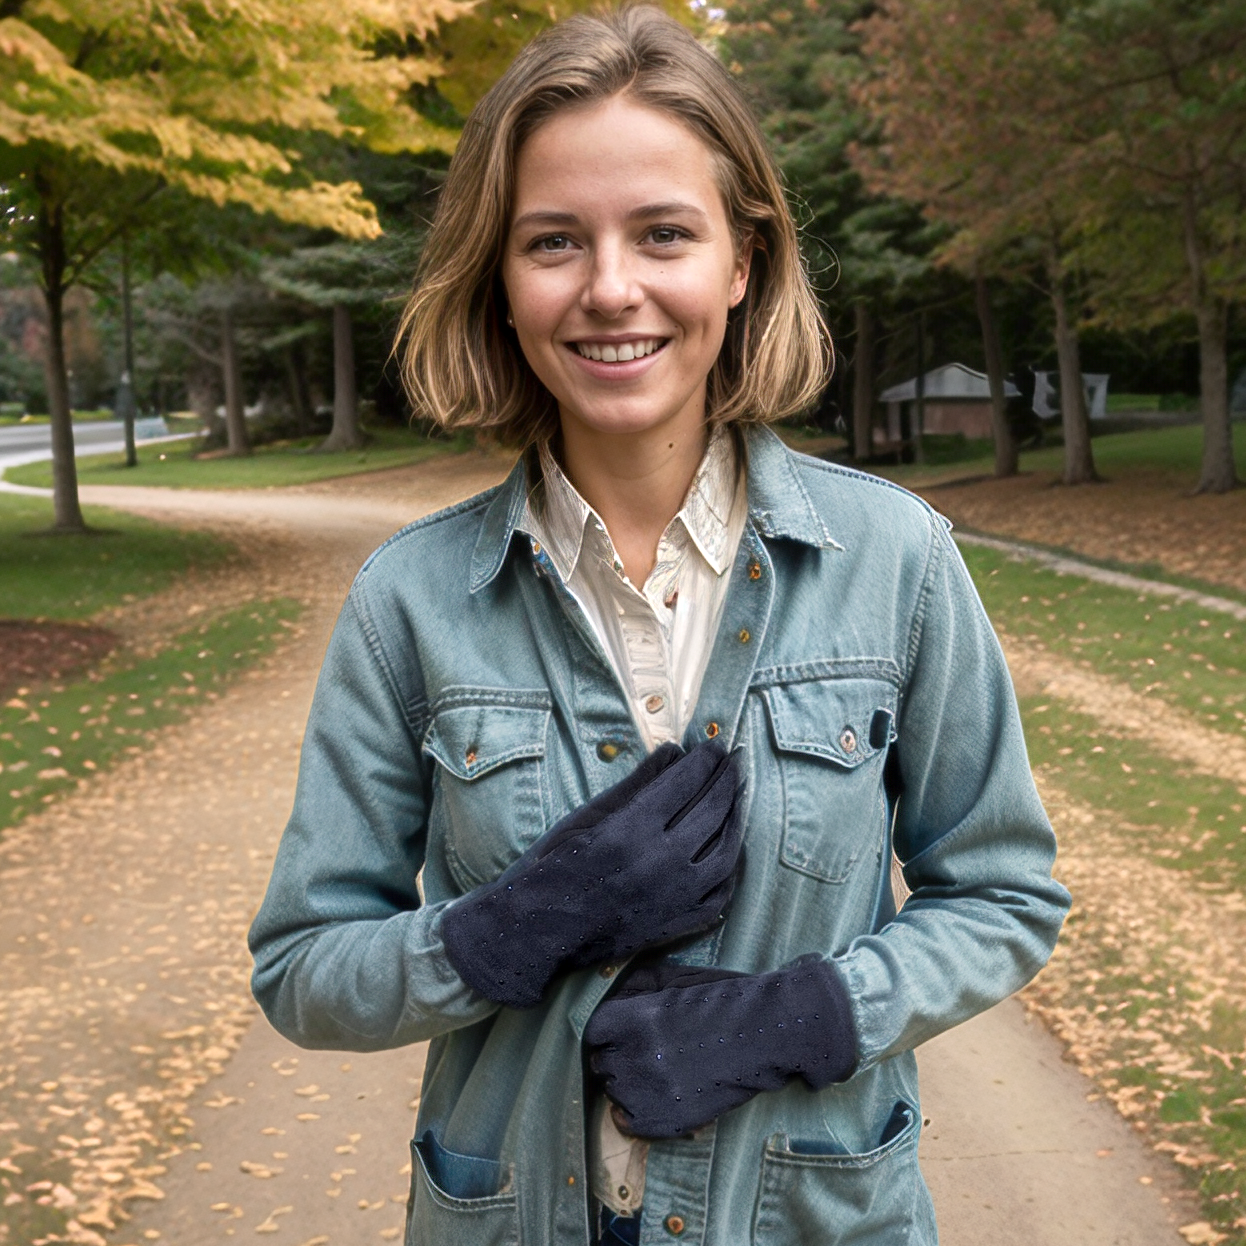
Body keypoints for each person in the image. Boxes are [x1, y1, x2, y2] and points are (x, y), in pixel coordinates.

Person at [247, 9, 1070, 1244]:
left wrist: (801, 1015)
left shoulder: (895, 560)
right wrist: (502, 933)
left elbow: (1004, 895)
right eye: (554, 241)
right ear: (500, 278)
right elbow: (303, 971)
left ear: (741, 263)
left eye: (663, 234)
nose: (609, 288)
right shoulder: (409, 601)